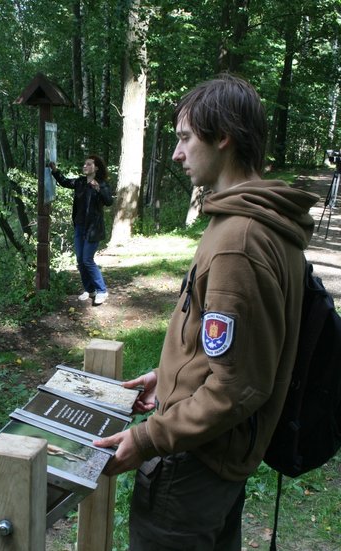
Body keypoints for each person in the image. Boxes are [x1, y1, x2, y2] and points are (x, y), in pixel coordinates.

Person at [94, 73, 319, 550]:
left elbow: (239, 384)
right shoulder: (259, 222)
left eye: (184, 138)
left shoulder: (240, 239)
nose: (176, 154)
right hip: (215, 456)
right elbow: (235, 346)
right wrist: (169, 375)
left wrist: (149, 439)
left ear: (223, 137)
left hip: (191, 466)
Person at [50, 155, 113, 305]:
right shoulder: (79, 182)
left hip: (93, 228)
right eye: (84, 164)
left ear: (96, 167)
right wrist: (55, 171)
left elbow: (109, 201)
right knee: (80, 260)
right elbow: (65, 182)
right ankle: (89, 289)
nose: (85, 166)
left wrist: (98, 189)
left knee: (87, 259)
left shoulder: (102, 183)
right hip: (79, 226)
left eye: (89, 164)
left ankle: (102, 291)